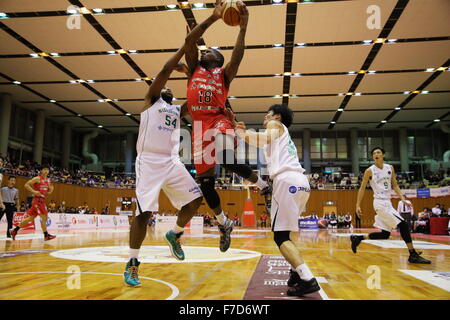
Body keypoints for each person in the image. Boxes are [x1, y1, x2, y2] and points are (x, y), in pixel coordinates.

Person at [184, 0, 270, 253]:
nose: (203, 52)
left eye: (208, 51)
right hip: (199, 127)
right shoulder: (193, 69)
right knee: (206, 184)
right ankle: (223, 224)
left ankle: (264, 186)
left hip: (219, 119)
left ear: (217, 59)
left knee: (226, 158)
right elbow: (190, 42)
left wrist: (243, 29)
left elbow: (238, 56)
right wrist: (212, 17)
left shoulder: (223, 74)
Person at [123, 44, 203, 288]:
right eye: (165, 85)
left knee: (195, 200)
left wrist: (191, 74)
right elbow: (166, 69)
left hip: (171, 161)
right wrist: (184, 50)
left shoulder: (177, 110)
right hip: (148, 160)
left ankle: (175, 234)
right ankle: (133, 263)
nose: (168, 87)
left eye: (170, 87)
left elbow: (196, 97)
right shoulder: (151, 101)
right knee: (144, 213)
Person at [230, 104, 320, 297]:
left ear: (277, 117)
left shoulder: (275, 125)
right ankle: (296, 273)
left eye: (268, 114)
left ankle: (307, 278)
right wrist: (243, 132)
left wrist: (240, 132)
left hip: (286, 180)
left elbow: (262, 137)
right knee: (287, 233)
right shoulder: (282, 135)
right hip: (301, 183)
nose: (265, 117)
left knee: (280, 237)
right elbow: (261, 140)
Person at [350, 147, 431, 264]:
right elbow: (362, 188)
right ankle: (412, 254)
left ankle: (358, 238)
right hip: (379, 202)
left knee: (385, 234)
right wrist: (358, 205)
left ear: (383, 155)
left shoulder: (390, 168)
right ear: (372, 157)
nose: (376, 154)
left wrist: (402, 199)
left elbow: (395, 185)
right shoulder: (369, 170)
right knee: (403, 225)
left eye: (378, 152)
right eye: (373, 153)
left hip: (387, 202)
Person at [10, 166, 56, 241]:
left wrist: (51, 190)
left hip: (40, 200)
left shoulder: (48, 180)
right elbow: (26, 185)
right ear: (41, 171)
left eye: (47, 170)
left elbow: (47, 192)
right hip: (37, 201)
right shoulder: (37, 178)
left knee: (30, 218)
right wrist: (34, 192)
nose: (46, 171)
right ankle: (46, 235)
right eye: (44, 169)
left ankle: (14, 230)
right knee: (44, 217)